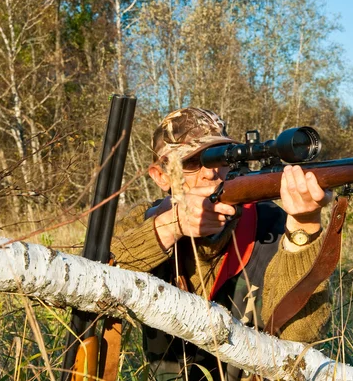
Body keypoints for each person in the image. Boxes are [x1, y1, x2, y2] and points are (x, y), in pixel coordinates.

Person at [110, 107, 333, 381]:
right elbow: (96, 276)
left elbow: (299, 340)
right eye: (192, 161)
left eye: (219, 157)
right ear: (160, 176)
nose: (209, 173)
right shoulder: (143, 220)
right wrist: (172, 226)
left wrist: (304, 224)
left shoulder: (271, 224)